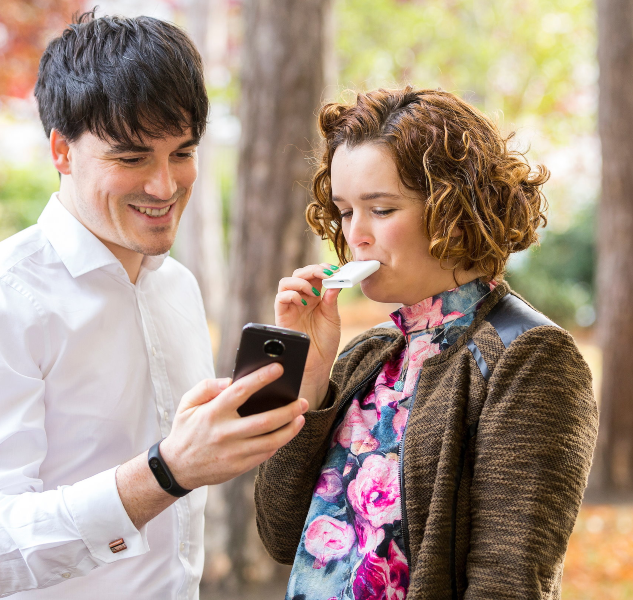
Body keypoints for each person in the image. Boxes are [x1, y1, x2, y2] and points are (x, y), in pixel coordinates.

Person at [0, 13, 308, 600]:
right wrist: (167, 471)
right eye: (132, 158)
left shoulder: (178, 286)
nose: (166, 187)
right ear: (62, 151)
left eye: (182, 153)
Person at [254, 87, 598, 600]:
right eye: (347, 212)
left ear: (455, 210)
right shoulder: (366, 356)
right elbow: (279, 536)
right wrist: (311, 383)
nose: (357, 236)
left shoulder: (529, 357)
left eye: (382, 209)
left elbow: (507, 585)